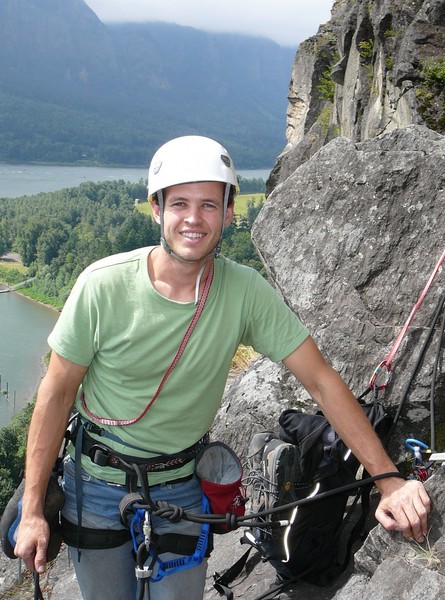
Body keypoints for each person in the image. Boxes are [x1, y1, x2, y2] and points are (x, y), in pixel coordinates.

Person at [15, 135, 430, 600]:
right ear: (157, 209)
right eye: (180, 204)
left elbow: (322, 381)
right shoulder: (102, 287)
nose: (194, 219)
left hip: (180, 485)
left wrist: (389, 480)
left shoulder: (243, 292)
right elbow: (56, 393)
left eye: (209, 205)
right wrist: (32, 510)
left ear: (229, 213)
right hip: (95, 486)